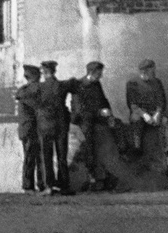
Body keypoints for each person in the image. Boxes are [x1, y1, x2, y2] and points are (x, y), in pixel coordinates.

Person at [70, 61, 121, 191]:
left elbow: (103, 101)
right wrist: (99, 112)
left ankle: (108, 172)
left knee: (117, 128)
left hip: (97, 119)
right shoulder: (79, 86)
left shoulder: (96, 84)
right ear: (91, 73)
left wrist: (109, 115)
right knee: (89, 143)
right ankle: (92, 175)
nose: (101, 76)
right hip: (84, 121)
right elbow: (80, 110)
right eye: (99, 73)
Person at [31, 60, 77, 195]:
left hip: (45, 125)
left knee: (46, 156)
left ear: (44, 73)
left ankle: (48, 186)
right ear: (54, 71)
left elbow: (26, 98)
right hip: (61, 125)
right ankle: (64, 186)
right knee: (62, 156)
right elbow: (75, 85)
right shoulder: (62, 85)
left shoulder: (39, 87)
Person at [125, 59, 168, 176]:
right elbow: (132, 104)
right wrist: (144, 115)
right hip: (139, 112)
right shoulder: (132, 83)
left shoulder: (157, 82)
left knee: (164, 121)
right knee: (136, 120)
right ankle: (136, 150)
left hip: (153, 112)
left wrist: (157, 113)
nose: (154, 72)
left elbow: (161, 101)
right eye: (152, 70)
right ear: (145, 71)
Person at [14, 65, 44, 193]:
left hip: (31, 129)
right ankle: (28, 186)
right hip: (30, 129)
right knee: (30, 158)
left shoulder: (26, 91)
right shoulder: (27, 92)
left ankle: (39, 184)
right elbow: (38, 107)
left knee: (37, 158)